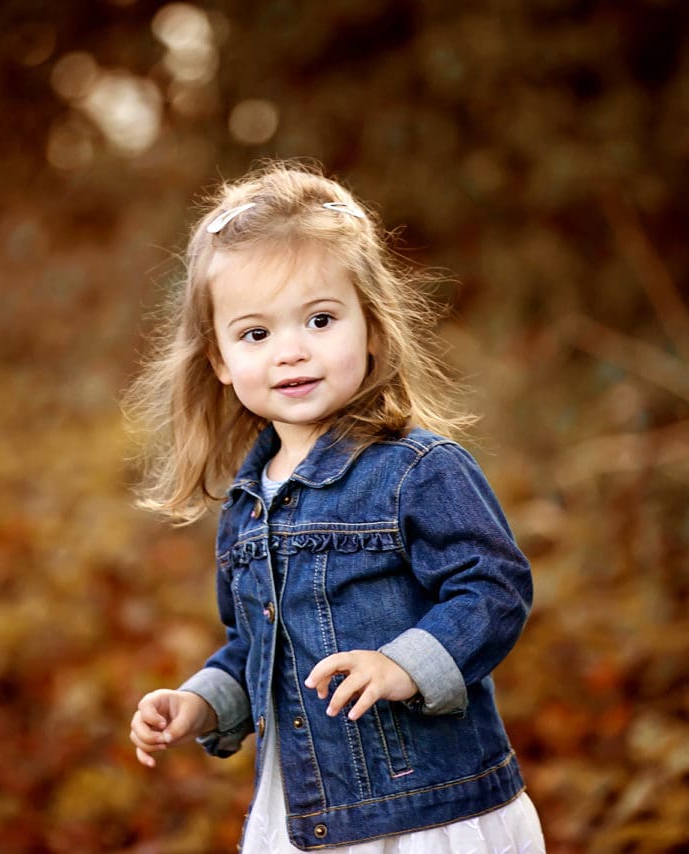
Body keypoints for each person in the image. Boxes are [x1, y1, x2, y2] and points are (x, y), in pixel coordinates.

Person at [126, 162, 544, 852]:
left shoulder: (417, 470)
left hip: (424, 813)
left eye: (320, 319)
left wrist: (404, 664)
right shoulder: (248, 503)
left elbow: (494, 589)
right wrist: (199, 701)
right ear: (221, 360)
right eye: (256, 334)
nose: (291, 351)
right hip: (305, 813)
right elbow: (257, 648)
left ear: (371, 327)